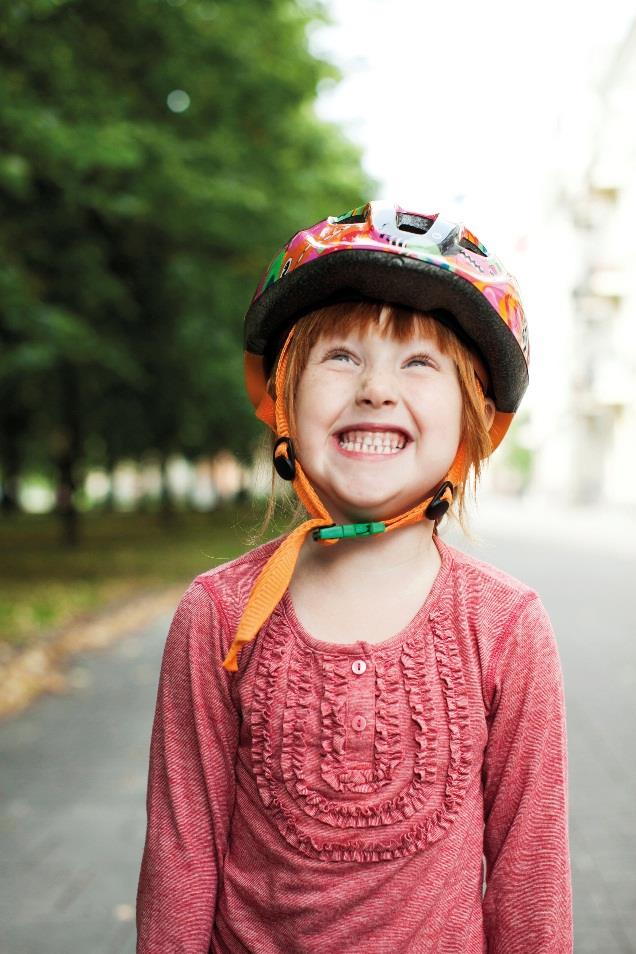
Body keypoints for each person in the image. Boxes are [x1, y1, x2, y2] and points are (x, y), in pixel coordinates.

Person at [136, 201, 573, 953]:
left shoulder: (505, 627)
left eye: (418, 362)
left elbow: (532, 878)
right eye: (340, 357)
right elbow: (181, 858)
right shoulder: (217, 614)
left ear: (473, 419)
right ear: (282, 401)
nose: (375, 388)